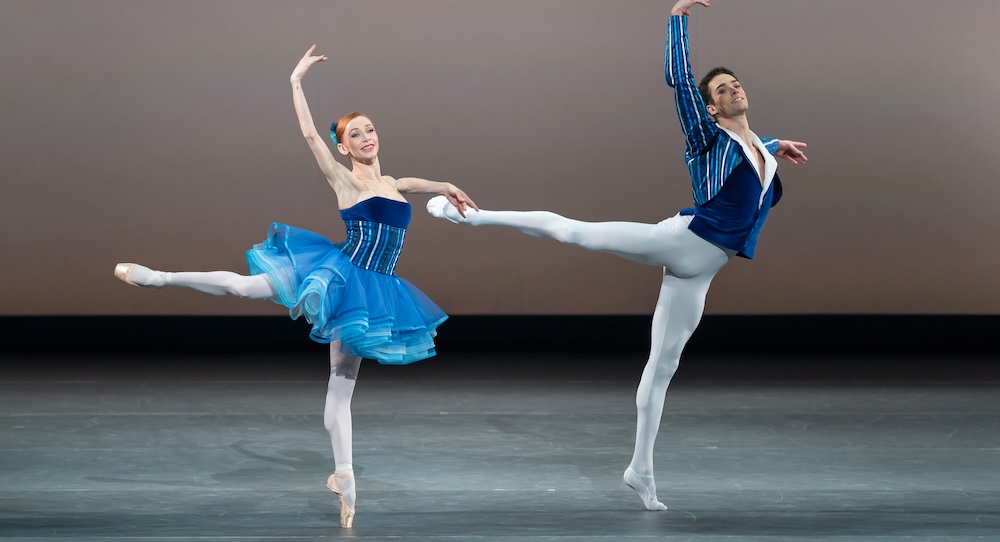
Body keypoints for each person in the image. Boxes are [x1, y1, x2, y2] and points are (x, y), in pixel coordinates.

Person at [426, 0, 807, 511]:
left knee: (663, 366)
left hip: (703, 271)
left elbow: (753, 152)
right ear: (711, 109)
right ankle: (471, 216)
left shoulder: (759, 148)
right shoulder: (706, 136)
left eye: (735, 83)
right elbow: (680, 80)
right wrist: (677, 18)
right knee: (574, 232)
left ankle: (640, 471)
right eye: (722, 89)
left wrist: (774, 144)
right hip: (683, 239)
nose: (733, 89)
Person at [114, 45, 478, 528]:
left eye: (369, 129)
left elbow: (414, 183)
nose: (365, 137)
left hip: (376, 291)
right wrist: (296, 81)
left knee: (341, 387)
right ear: (343, 148)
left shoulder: (392, 181)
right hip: (338, 275)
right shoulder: (346, 182)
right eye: (354, 134)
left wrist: (445, 184)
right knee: (245, 288)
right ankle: (160, 278)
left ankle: (344, 478)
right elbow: (309, 135)